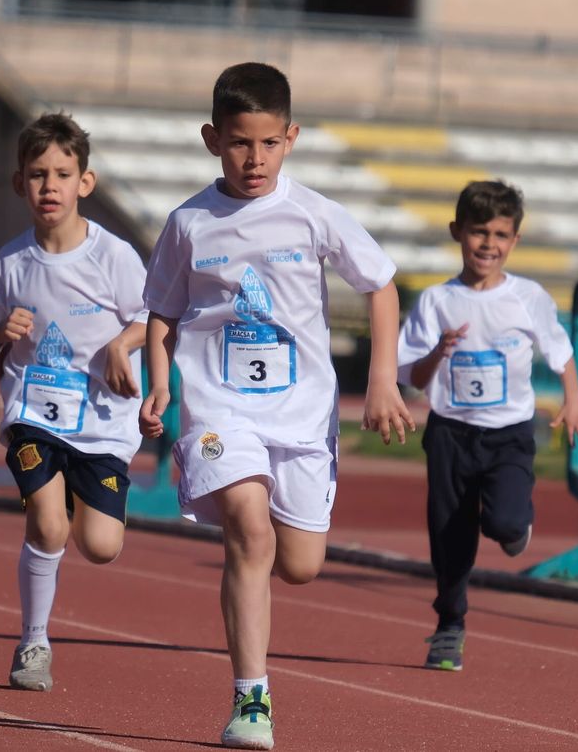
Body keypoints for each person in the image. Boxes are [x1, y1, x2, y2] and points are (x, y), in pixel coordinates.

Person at [140, 62, 413, 750]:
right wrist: (162, 383)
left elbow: (381, 287)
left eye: (266, 143)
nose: (253, 158)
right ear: (212, 139)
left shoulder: (314, 214)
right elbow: (163, 314)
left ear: (290, 138)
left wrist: (383, 379)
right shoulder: (189, 223)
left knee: (300, 562)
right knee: (248, 531)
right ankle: (250, 700)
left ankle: (257, 651)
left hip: (301, 414)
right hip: (217, 408)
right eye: (238, 143)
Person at [0, 113, 148, 693]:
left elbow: (154, 316)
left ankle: (77, 488)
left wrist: (124, 342)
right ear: (20, 183)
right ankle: (34, 641)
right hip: (34, 416)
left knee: (100, 546)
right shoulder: (11, 263)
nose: (51, 186)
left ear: (84, 183)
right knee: (47, 526)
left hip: (102, 422)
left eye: (63, 174)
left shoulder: (113, 256)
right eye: (38, 174)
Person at [397, 180, 578, 672]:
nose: (489, 244)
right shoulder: (435, 302)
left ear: (515, 241)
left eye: (500, 235)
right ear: (457, 233)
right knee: (450, 535)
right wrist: (436, 353)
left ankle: (512, 524)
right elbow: (412, 379)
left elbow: (561, 353)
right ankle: (450, 624)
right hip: (450, 432)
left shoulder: (527, 297)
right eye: (478, 232)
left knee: (504, 522)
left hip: (509, 433)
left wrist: (574, 404)